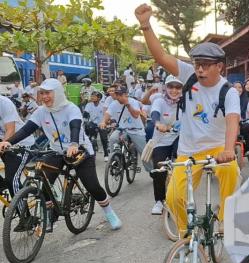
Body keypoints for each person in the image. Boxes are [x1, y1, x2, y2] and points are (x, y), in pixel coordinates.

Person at [135, 3, 240, 235]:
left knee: (231, 173)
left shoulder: (228, 92)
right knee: (172, 198)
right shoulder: (188, 76)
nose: (199, 69)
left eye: (205, 65)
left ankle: (224, 218)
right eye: (197, 64)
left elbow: (233, 120)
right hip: (188, 150)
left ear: (219, 66)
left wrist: (229, 149)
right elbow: (161, 56)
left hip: (218, 150)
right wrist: (145, 25)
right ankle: (186, 234)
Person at [0, 79, 122, 231]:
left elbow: (75, 126)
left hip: (79, 150)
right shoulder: (41, 112)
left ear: (57, 93)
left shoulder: (70, 108)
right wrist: (9, 142)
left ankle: (109, 212)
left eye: (47, 93)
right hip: (56, 151)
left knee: (92, 186)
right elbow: (26, 130)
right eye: (42, 93)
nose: (44, 97)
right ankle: (51, 213)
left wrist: (74, 144)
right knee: (42, 179)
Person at [148, 75, 182, 215]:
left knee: (183, 165)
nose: (174, 90)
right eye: (171, 87)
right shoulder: (159, 101)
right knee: (159, 169)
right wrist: (158, 123)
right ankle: (159, 201)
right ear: (165, 88)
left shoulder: (186, 101)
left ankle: (180, 197)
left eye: (177, 87)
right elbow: (155, 113)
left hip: (179, 138)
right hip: (161, 140)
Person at [0, 95, 35, 197]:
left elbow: (10, 130)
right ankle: (2, 185)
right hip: (3, 140)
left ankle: (23, 213)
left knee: (11, 179)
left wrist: (2, 148)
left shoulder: (4, 103)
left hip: (20, 143)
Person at [100, 85, 147, 159]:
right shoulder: (114, 103)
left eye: (120, 94)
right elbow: (107, 114)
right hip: (122, 129)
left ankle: (151, 170)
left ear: (126, 94)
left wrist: (127, 104)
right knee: (113, 138)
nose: (118, 96)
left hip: (136, 130)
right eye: (117, 94)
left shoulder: (133, 102)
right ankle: (115, 161)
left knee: (144, 154)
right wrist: (103, 122)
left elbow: (135, 115)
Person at [83, 91, 110, 161]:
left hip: (102, 124)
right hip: (93, 124)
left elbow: (107, 115)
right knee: (92, 139)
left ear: (99, 98)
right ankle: (92, 154)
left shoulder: (103, 105)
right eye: (91, 96)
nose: (92, 97)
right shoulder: (89, 105)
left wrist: (106, 122)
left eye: (94, 96)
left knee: (104, 139)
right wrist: (85, 122)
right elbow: (85, 115)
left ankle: (106, 154)